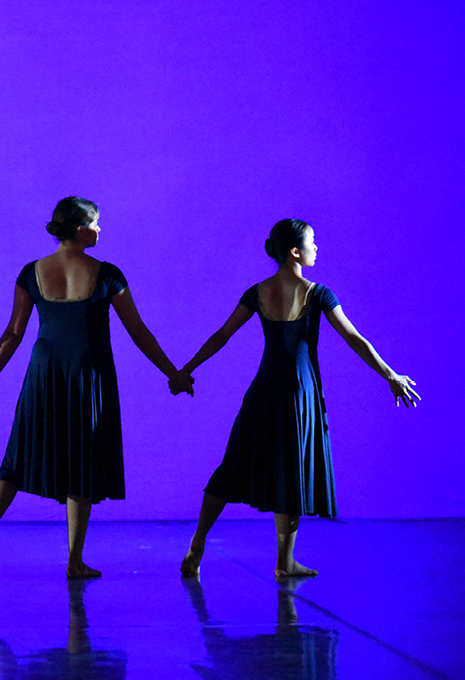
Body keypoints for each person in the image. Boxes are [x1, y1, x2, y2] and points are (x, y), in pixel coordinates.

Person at [0, 197, 189, 580]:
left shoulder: (33, 271)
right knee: (82, 461)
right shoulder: (107, 273)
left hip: (43, 373)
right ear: (80, 230)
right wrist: (172, 373)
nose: (100, 230)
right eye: (96, 223)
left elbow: (13, 334)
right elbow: (138, 332)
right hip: (88, 374)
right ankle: (74, 559)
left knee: (16, 459)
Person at [177, 219, 418, 578]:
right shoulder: (318, 293)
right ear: (294, 251)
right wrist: (390, 375)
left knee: (232, 467)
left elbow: (222, 335)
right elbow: (355, 339)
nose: (317, 248)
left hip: (262, 392)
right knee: (291, 472)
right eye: (313, 243)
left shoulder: (258, 292)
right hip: (298, 396)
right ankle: (284, 562)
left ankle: (198, 544)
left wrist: (186, 370)